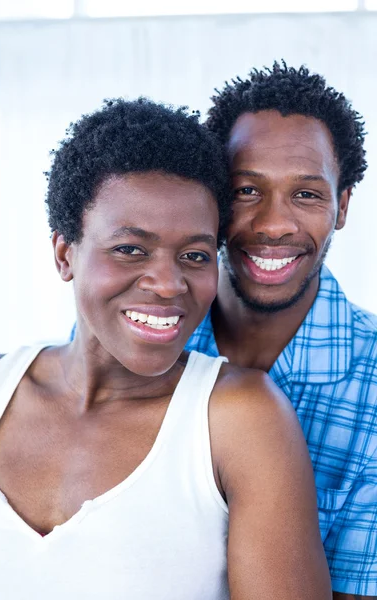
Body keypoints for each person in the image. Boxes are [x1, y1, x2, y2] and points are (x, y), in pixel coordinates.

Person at [0, 98, 330, 599]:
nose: (168, 284)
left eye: (194, 255)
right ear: (64, 253)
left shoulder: (241, 417)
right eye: (130, 249)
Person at [186, 62, 377, 599]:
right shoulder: (145, 337)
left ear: (341, 207)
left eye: (307, 195)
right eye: (246, 190)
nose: (273, 224)